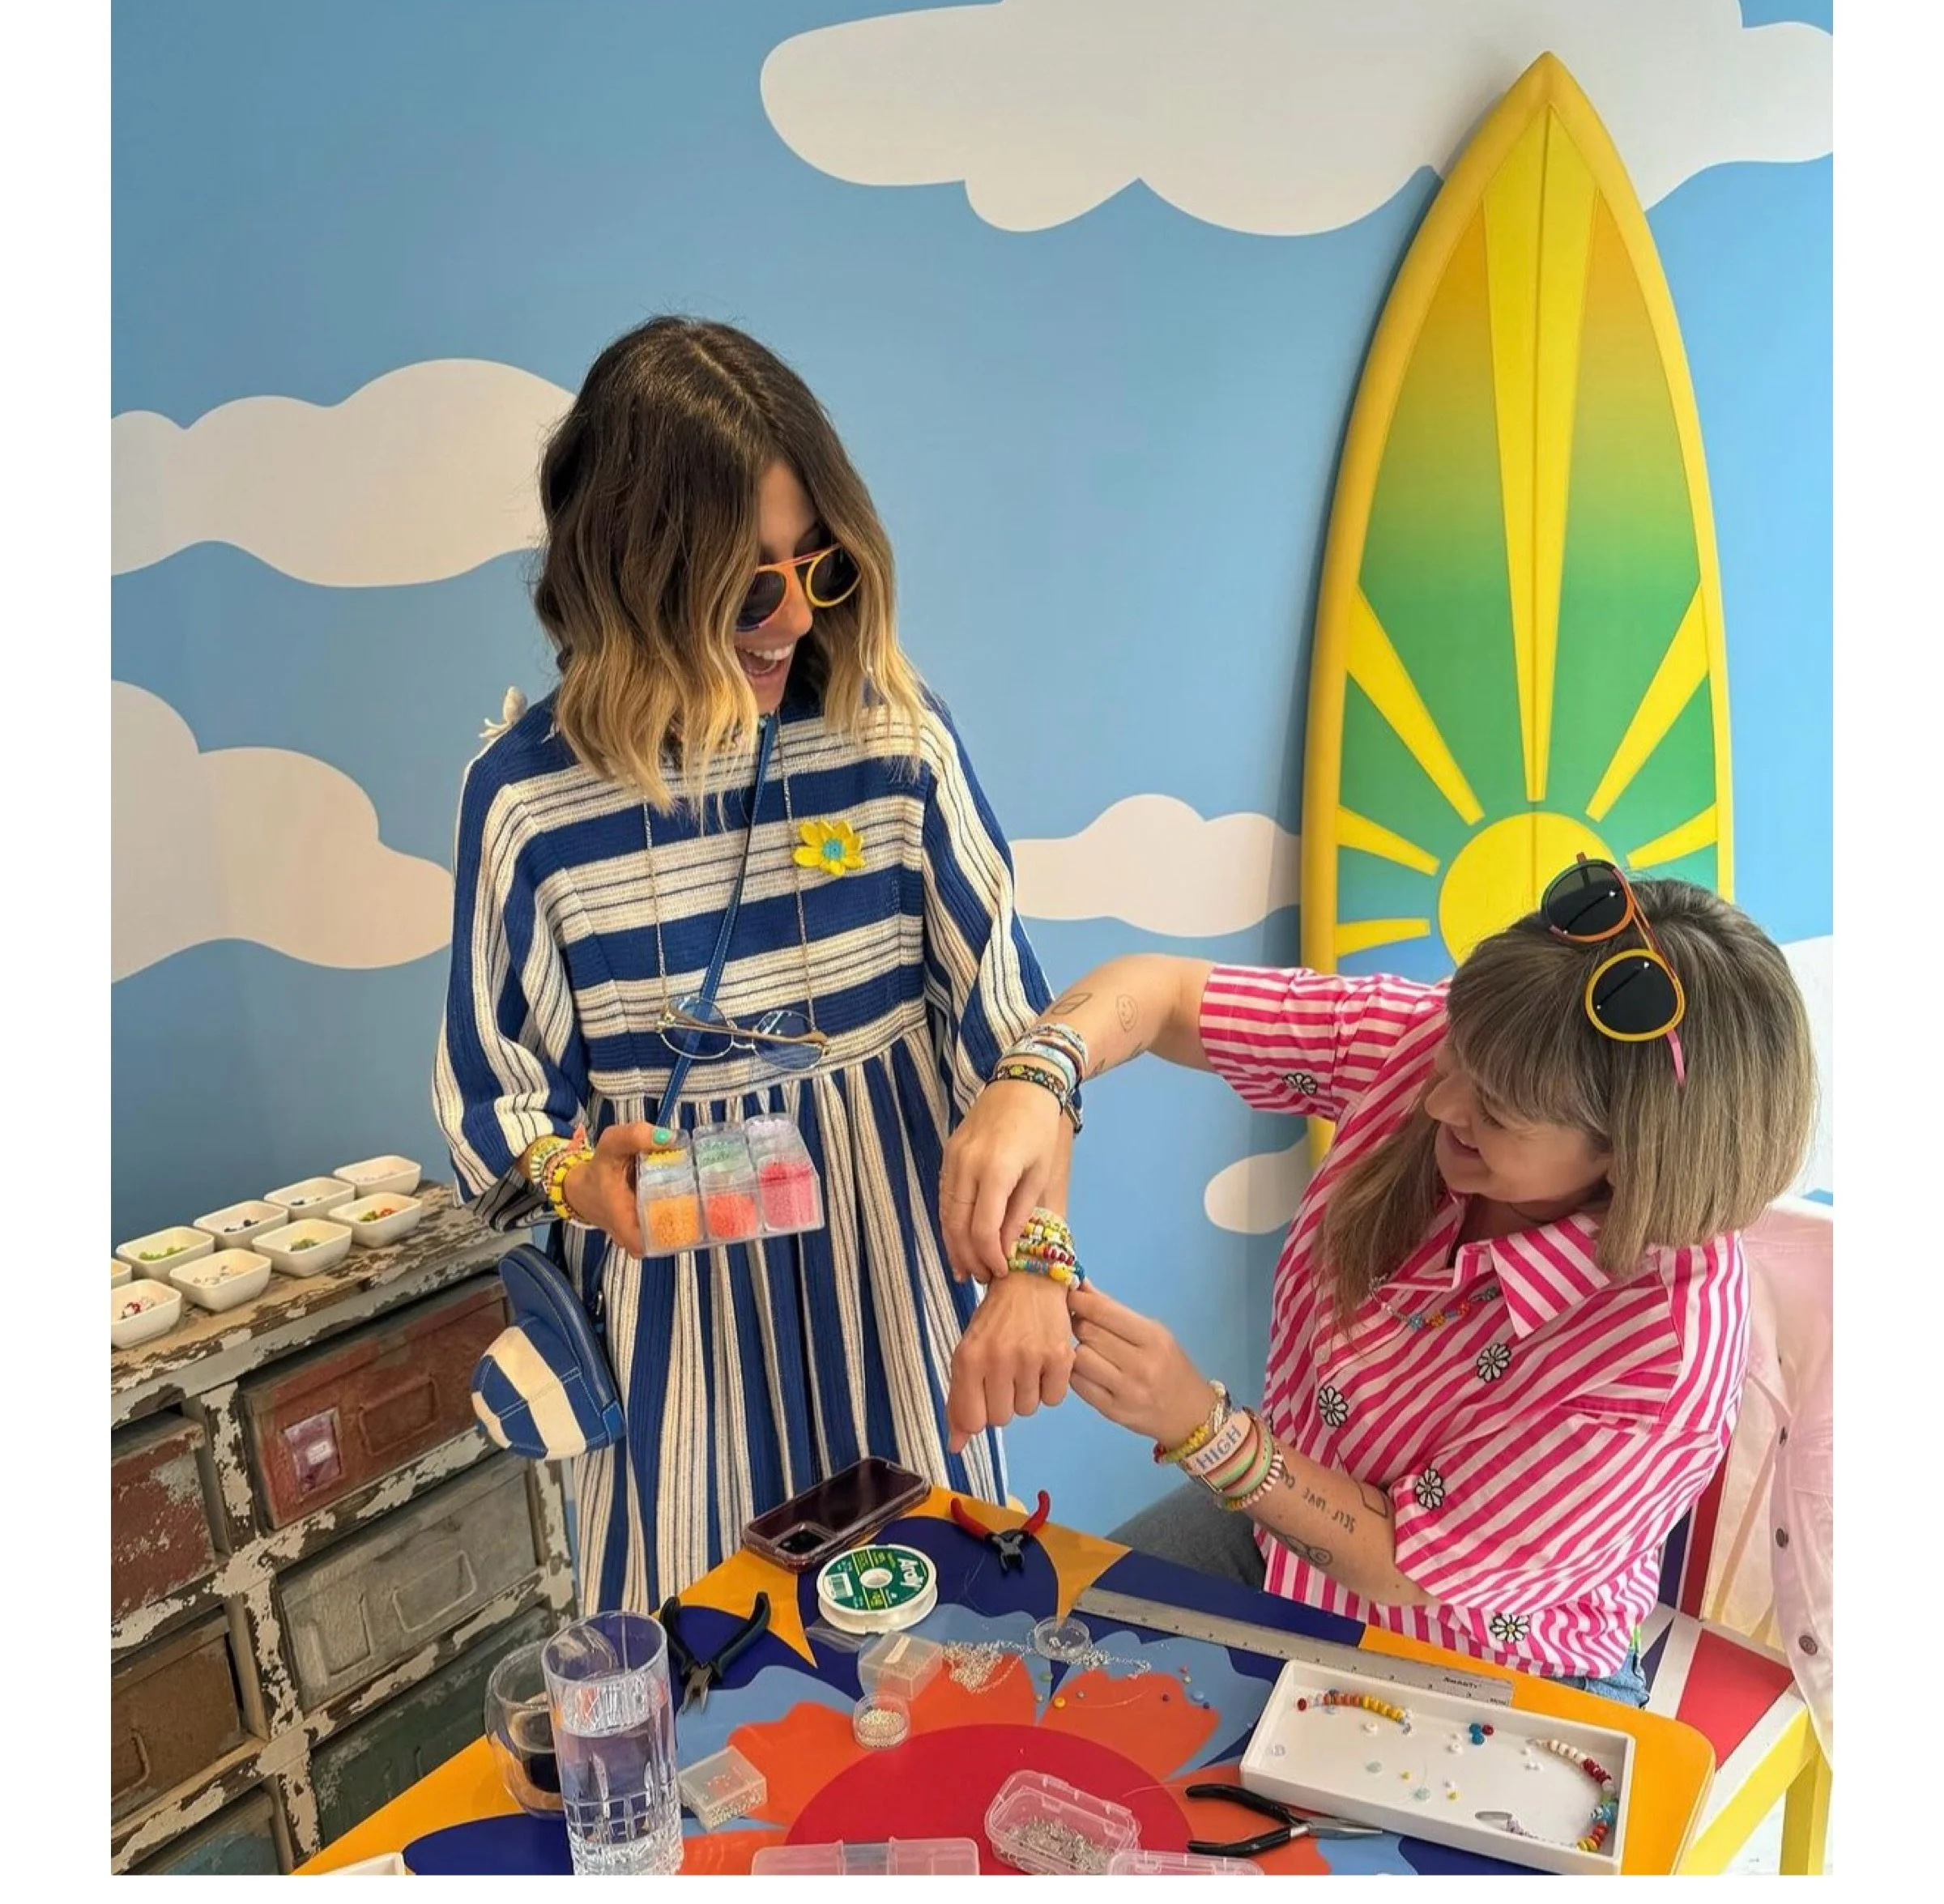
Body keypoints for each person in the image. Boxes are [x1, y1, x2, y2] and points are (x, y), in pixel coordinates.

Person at [436, 316, 1074, 1611]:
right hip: (681, 1332)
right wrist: (582, 1179)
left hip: (897, 1292)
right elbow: (496, 1100)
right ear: (630, 579)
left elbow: (1020, 1045)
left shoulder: (892, 738)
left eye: (818, 569)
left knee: (937, 1627)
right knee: (700, 1641)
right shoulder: (527, 802)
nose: (794, 619)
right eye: (746, 591)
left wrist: (1035, 1266)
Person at [940, 867, 1814, 1703]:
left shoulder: (1666, 1353)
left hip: (1484, 1657)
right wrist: (1038, 1076)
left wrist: (1202, 1427)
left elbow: (1405, 1566)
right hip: (1278, 1523)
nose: (1438, 1102)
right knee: (1018, 1662)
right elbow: (1163, 994)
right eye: (1456, 1054)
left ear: (1627, 1160)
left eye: (1495, 1113)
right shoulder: (1442, 1050)